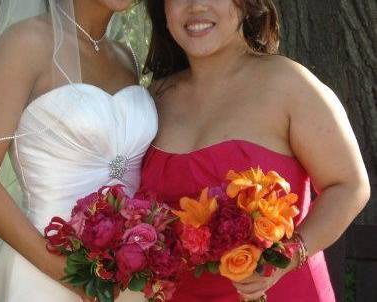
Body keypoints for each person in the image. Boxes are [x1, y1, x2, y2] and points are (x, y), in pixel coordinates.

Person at [138, 0, 370, 301]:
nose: (196, 6)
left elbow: (350, 185)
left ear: (247, 5)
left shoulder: (289, 84)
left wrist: (289, 255)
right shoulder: (153, 99)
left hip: (280, 293)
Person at [0, 0, 154, 301]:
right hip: (45, 272)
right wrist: (71, 276)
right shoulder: (24, 44)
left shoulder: (125, 56)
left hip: (124, 278)